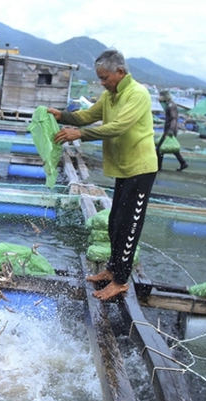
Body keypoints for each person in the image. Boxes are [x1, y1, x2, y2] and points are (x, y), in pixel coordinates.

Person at [47, 49, 158, 301]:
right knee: (114, 222)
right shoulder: (111, 95)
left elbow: (118, 127)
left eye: (105, 77)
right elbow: (88, 116)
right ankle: (112, 269)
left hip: (141, 169)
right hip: (123, 167)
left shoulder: (137, 94)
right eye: (100, 78)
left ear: (120, 72)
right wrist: (62, 116)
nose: (102, 82)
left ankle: (120, 281)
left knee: (129, 225)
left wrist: (80, 134)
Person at [156, 90, 188, 171]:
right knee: (172, 148)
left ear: (164, 97)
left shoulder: (171, 106)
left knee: (159, 149)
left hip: (170, 130)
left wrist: (170, 131)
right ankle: (183, 163)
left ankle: (158, 167)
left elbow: (174, 119)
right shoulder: (169, 104)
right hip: (170, 129)